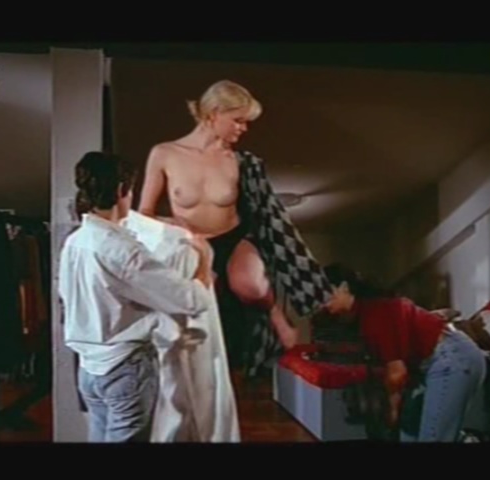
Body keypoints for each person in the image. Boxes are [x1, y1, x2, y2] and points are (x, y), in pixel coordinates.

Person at [138, 80, 328, 374]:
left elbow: (268, 213)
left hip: (235, 236)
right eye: (238, 120)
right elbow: (144, 213)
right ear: (214, 113)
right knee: (206, 297)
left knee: (249, 285)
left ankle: (277, 315)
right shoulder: (165, 154)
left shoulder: (239, 161)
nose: (244, 128)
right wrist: (172, 224)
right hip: (192, 242)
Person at [58, 151, 215, 442]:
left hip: (89, 370)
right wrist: (204, 263)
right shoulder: (122, 250)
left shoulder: (75, 242)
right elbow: (191, 300)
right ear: (122, 189)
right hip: (123, 368)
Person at [317, 267, 486, 442]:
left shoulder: (376, 312)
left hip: (452, 358)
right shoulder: (361, 315)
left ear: (344, 287)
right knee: (409, 431)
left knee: (430, 436)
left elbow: (397, 373)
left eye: (326, 291)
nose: (322, 300)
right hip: (437, 360)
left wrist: (393, 409)